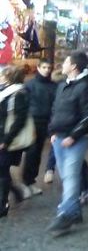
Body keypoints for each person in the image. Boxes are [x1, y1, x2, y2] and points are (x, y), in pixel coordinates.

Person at [46, 50, 88, 236]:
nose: (63, 65)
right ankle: (74, 211)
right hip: (59, 138)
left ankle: (66, 214)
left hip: (76, 139)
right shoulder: (63, 86)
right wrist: (52, 131)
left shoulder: (85, 87)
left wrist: (73, 136)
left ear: (74, 66)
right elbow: (55, 110)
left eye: (66, 62)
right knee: (66, 175)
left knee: (71, 175)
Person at [0, 64, 31, 218]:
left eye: (3, 75)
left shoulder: (18, 94)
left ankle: (3, 203)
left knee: (2, 170)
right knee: (2, 170)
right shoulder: (4, 92)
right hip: (3, 136)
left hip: (7, 139)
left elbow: (19, 120)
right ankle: (15, 191)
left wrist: (6, 140)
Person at [22, 59, 55, 198]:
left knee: (36, 153)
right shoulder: (30, 85)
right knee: (32, 152)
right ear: (38, 68)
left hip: (46, 122)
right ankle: (26, 183)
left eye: (49, 67)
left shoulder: (53, 86)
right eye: (44, 67)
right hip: (31, 122)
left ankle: (30, 182)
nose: (47, 70)